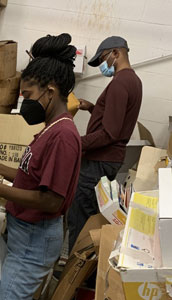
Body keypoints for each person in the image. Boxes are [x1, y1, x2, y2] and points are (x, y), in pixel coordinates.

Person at [0, 33, 82, 300]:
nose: (24, 102)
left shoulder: (64, 136)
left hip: (34, 242)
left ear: (50, 92)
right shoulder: (52, 128)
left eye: (28, 95)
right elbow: (32, 176)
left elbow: (49, 200)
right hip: (23, 233)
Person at [68, 36, 142, 253]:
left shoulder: (120, 83)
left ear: (116, 54)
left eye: (103, 59)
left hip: (99, 161)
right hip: (107, 160)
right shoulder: (133, 81)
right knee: (88, 215)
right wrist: (93, 108)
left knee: (80, 218)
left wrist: (74, 143)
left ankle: (76, 273)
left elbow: (109, 133)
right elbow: (115, 120)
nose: (103, 65)